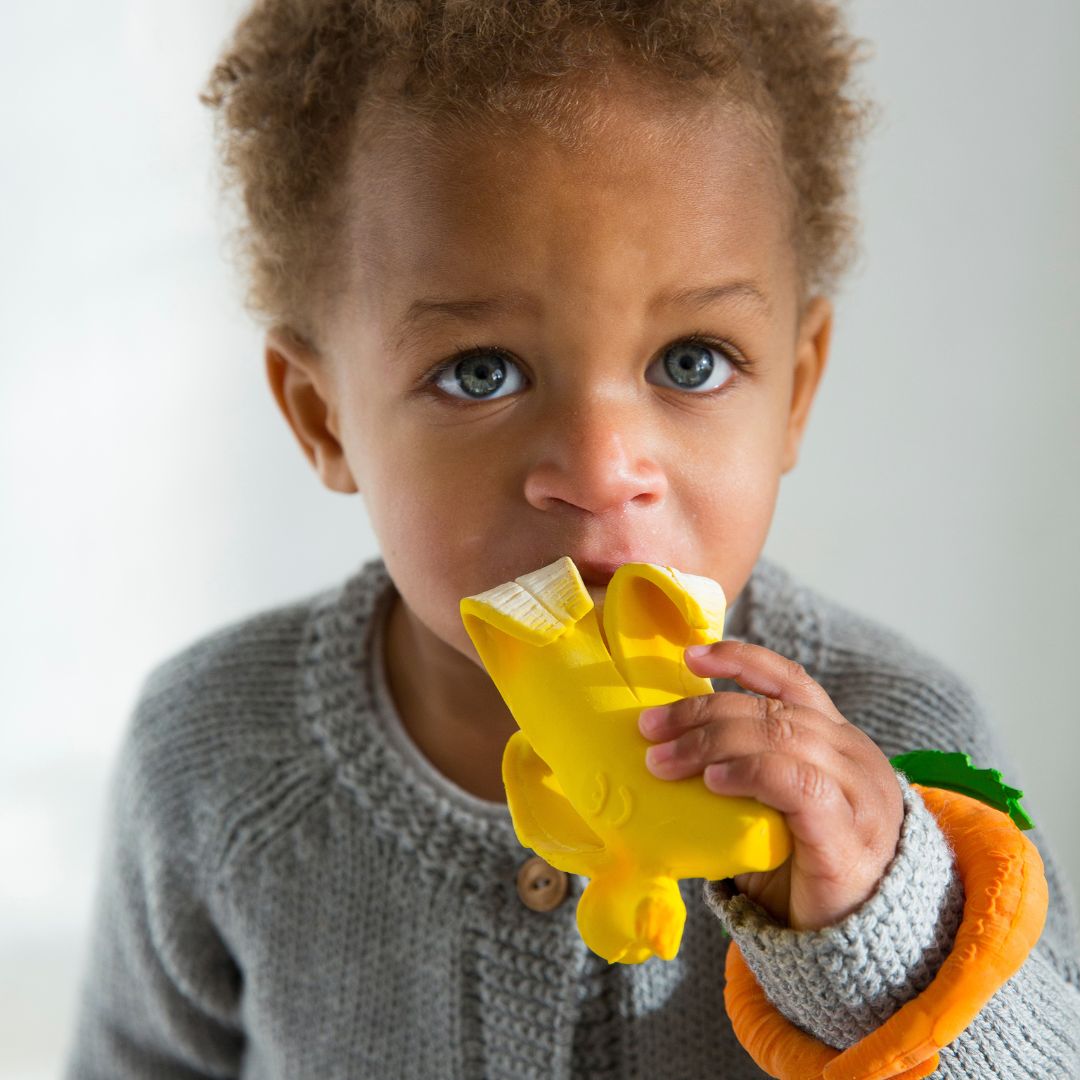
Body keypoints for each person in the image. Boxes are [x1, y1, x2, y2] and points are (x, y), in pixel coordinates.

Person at [64, 1, 1080, 1077]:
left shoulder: (903, 744)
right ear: (324, 417)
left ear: (796, 389)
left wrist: (880, 925)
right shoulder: (213, 756)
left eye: (691, 361)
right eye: (480, 372)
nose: (601, 470)